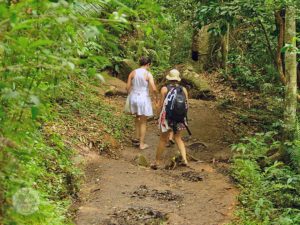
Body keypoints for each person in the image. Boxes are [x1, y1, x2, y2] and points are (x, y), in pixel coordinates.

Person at [152, 69, 189, 169]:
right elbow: (187, 105)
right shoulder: (184, 90)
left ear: (169, 78)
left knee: (163, 139)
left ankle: (157, 162)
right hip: (180, 118)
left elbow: (161, 105)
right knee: (178, 138)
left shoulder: (164, 89)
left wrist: (157, 115)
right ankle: (185, 160)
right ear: (178, 79)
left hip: (167, 118)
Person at [126, 56, 158, 150]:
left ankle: (136, 137)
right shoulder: (148, 74)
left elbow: (127, 87)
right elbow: (154, 88)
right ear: (148, 64)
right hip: (143, 98)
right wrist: (155, 97)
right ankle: (141, 144)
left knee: (137, 117)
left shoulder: (133, 72)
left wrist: (131, 94)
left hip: (133, 97)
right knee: (143, 121)